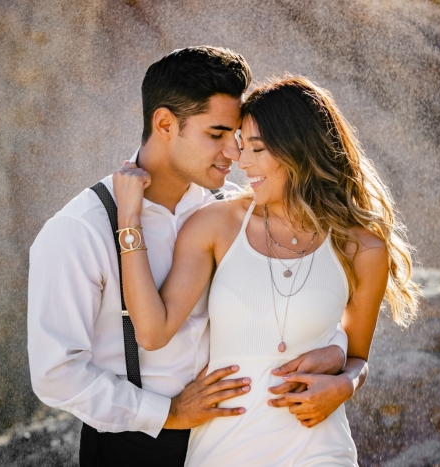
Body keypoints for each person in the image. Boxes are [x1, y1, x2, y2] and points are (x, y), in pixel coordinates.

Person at [28, 47, 352, 467]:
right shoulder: (80, 229)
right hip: (133, 444)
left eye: (235, 137)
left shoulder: (232, 212)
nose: (233, 154)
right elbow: (56, 374)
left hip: (231, 440)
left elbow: (301, 299)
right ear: (164, 124)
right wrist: (169, 414)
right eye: (216, 135)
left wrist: (339, 354)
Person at [112, 74, 422, 466]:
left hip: (319, 451)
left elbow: (357, 356)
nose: (241, 162)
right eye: (243, 148)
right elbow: (153, 332)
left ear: (298, 151)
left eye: (256, 149)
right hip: (224, 451)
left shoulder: (361, 247)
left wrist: (345, 383)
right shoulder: (216, 225)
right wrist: (129, 217)